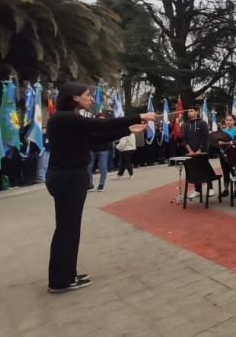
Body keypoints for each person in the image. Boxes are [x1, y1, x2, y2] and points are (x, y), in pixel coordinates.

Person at [45, 82, 155, 293]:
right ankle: (60, 281)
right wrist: (139, 116)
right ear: (75, 97)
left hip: (69, 175)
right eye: (87, 95)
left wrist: (126, 130)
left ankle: (66, 274)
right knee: (67, 229)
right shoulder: (65, 118)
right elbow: (102, 125)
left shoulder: (68, 120)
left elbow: (96, 138)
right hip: (68, 176)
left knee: (68, 228)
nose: (91, 98)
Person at [181, 105, 211, 199]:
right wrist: (189, 150)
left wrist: (199, 149)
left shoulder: (202, 123)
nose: (189, 113)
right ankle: (197, 190)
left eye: (192, 111)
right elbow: (184, 139)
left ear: (197, 112)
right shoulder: (185, 125)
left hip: (202, 151)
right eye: (188, 111)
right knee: (194, 171)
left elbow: (205, 137)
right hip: (191, 152)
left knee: (205, 169)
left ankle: (210, 188)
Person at [217, 114, 236, 198]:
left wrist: (224, 143)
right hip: (223, 153)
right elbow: (218, 141)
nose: (228, 122)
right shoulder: (224, 130)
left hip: (233, 154)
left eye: (230, 120)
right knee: (225, 172)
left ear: (234, 121)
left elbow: (235, 141)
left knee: (234, 172)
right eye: (227, 120)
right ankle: (225, 190)